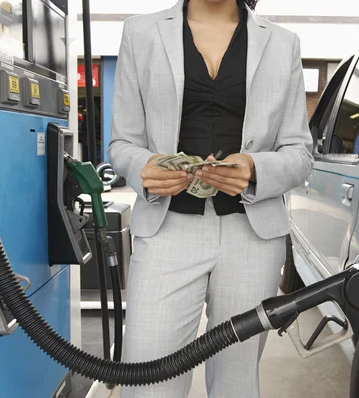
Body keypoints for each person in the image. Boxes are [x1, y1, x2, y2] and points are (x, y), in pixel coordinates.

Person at [108, 0, 314, 396]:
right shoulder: (141, 32)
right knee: (150, 380)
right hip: (166, 229)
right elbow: (122, 143)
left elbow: (300, 153)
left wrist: (254, 168)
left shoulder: (283, 43)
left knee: (237, 383)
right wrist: (143, 167)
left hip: (252, 236)